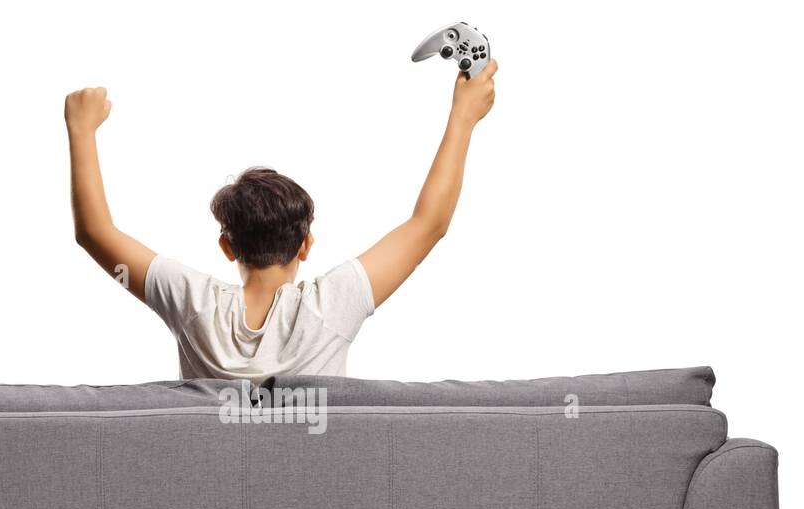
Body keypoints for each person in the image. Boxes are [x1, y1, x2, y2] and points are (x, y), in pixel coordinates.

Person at [64, 61, 497, 380]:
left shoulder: (191, 303)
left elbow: (94, 233)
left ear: (228, 246)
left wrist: (81, 129)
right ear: (306, 245)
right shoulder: (332, 305)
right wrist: (463, 116)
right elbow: (429, 223)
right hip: (309, 492)